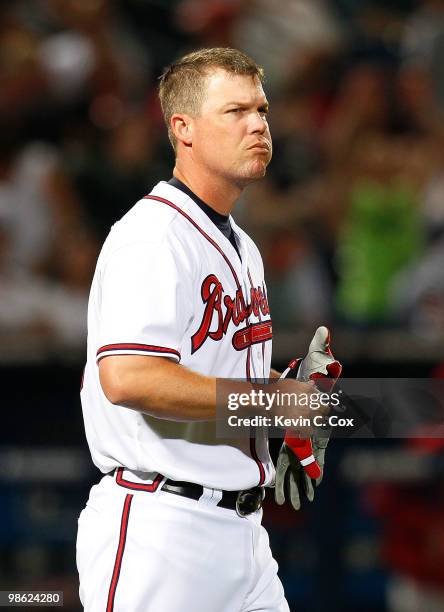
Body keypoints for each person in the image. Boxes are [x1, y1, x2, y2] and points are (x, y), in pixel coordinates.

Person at [76, 47, 333, 612]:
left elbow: (214, 370)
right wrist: (268, 402)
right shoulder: (153, 235)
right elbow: (129, 377)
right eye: (235, 111)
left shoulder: (243, 244)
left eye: (262, 110)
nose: (258, 124)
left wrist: (287, 395)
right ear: (183, 128)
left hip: (243, 533)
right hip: (161, 530)